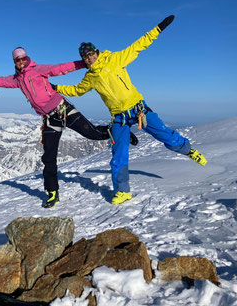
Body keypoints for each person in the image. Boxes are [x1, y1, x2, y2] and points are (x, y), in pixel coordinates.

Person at [52, 15, 207, 205]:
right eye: (86, 57)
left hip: (138, 110)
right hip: (118, 117)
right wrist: (56, 88)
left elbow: (138, 46)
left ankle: (188, 150)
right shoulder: (90, 77)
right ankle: (122, 191)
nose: (90, 58)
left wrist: (158, 29)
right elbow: (76, 90)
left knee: (165, 135)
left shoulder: (115, 59)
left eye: (91, 54)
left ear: (96, 52)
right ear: (83, 59)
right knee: (118, 154)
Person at [0, 46, 138, 208]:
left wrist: (83, 63)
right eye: (17, 59)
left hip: (63, 109)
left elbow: (60, 69)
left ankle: (120, 132)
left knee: (93, 134)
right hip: (50, 119)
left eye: (23, 58)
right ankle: (52, 192)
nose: (21, 61)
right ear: (14, 61)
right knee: (49, 158)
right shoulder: (17, 80)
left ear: (26, 58)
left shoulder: (37, 69)